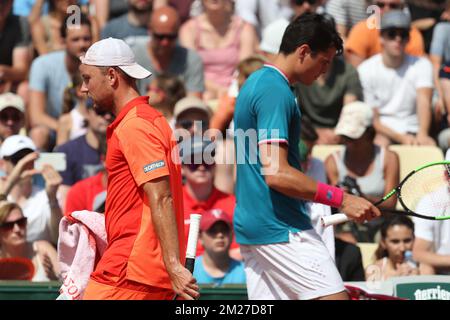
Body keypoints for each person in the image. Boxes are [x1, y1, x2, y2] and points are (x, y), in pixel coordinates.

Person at [233, 13, 380, 300]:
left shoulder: (256, 82)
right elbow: (277, 174)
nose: (325, 70)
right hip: (279, 227)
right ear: (303, 52)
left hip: (254, 226)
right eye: (323, 61)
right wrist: (343, 199)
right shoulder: (274, 90)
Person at [79, 37, 199, 300]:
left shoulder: (136, 125)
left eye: (87, 79)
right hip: (140, 272)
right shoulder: (150, 120)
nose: (82, 89)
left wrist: (174, 266)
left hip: (129, 271)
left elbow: (162, 195)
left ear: (111, 76)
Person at [358, 10, 435, 147]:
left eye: (403, 35)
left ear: (409, 39)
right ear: (381, 38)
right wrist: (400, 138)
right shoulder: (366, 69)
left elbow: (424, 101)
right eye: (392, 34)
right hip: (381, 132)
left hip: (413, 129)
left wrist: (422, 134)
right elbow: (373, 119)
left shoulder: (423, 65)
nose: (398, 39)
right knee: (379, 145)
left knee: (429, 147)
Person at [324, 102, 400, 242]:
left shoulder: (390, 159)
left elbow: (390, 204)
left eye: (353, 138)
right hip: (345, 229)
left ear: (370, 134)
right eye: (345, 137)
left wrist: (361, 197)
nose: (348, 143)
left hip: (380, 227)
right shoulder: (332, 161)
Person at [294, 15, 363, 144]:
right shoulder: (299, 72)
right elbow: (292, 112)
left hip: (340, 135)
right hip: (305, 134)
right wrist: (314, 133)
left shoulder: (348, 72)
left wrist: (337, 134)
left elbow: (349, 112)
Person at [179, 0, 259, 100]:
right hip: (201, 90)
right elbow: (191, 71)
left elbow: (245, 69)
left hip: (235, 91)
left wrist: (230, 91)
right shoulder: (189, 29)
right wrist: (217, 90)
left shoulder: (244, 28)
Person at [28, 13, 93, 135]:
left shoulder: (99, 68)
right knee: (38, 133)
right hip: (54, 129)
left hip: (89, 131)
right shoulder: (42, 65)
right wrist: (65, 129)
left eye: (86, 38)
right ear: (63, 41)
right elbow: (36, 116)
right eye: (75, 39)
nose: (82, 44)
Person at [178, 136, 239, 259]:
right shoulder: (172, 203)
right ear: (182, 168)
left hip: (220, 274)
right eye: (194, 162)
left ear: (215, 164)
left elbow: (238, 251)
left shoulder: (232, 204)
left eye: (207, 160)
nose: (201, 167)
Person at [0, 135, 63, 245]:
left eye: (29, 159)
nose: (24, 164)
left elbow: (59, 240)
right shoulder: (3, 195)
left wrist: (52, 199)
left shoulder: (46, 196)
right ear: (2, 164)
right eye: (17, 159)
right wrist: (11, 181)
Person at [132, 6, 205, 98]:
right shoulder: (133, 59)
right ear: (150, 30)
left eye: (171, 37)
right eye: (160, 36)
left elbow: (193, 102)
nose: (165, 42)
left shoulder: (191, 60)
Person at [345, 0, 425, 67]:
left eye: (393, 6)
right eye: (381, 5)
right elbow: (356, 72)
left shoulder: (412, 33)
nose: (387, 9)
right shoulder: (361, 30)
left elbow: (417, 67)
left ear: (402, 8)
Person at [0, 201, 60, 281]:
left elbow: (67, 282)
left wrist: (55, 279)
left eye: (21, 222)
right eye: (9, 226)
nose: (17, 229)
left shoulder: (43, 249)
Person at [412, 149, 450, 275]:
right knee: (425, 267)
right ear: (446, 176)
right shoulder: (429, 202)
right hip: (440, 269)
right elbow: (419, 253)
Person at [193, 209, 246, 286]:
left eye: (224, 230)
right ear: (200, 237)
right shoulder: (189, 271)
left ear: (232, 235)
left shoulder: (246, 272)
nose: (220, 235)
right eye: (212, 231)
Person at [367, 215, 419, 281]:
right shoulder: (374, 270)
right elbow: (373, 290)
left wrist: (417, 279)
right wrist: (395, 279)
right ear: (383, 242)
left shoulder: (422, 266)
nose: (402, 248)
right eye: (395, 242)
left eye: (407, 241)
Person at [0, 0, 32, 93]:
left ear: (12, 2)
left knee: (25, 89)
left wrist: (2, 71)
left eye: (4, 1)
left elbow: (21, 71)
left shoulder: (20, 23)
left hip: (7, 82)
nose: (0, 6)